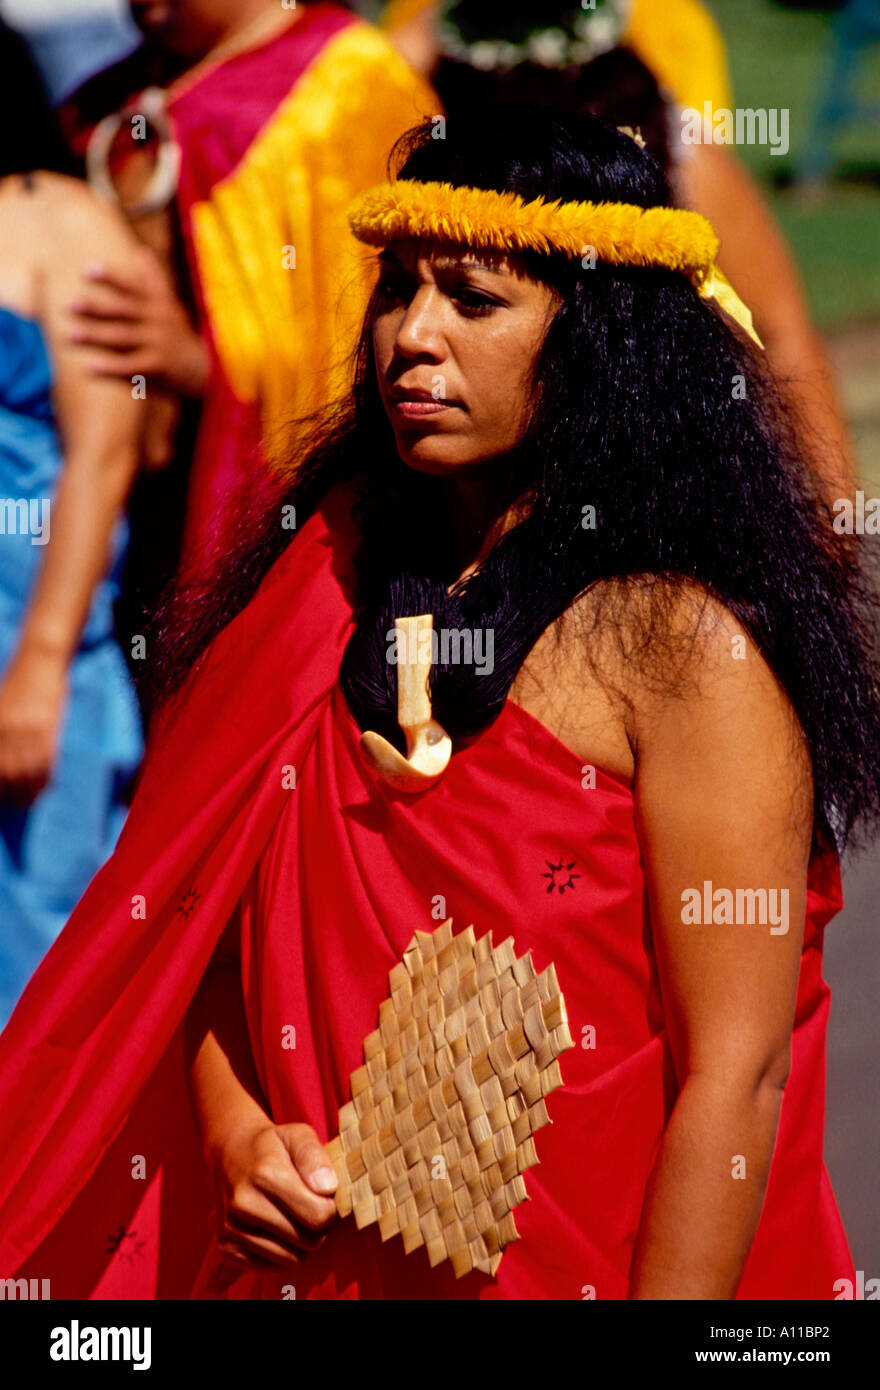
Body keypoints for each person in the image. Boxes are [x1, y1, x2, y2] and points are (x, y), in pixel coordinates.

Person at [1, 109, 878, 1300]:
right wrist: (235, 1132)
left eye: (473, 299)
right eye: (396, 292)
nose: (411, 336)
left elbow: (739, 1073)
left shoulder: (686, 647)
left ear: (598, 338)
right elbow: (191, 922)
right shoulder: (322, 571)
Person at [381, 0, 858, 500]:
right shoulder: (415, 112)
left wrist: (834, 523)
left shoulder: (677, 152)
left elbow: (781, 337)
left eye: (474, 298)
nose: (414, 334)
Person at [60, 0, 437, 588]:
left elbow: (351, 359)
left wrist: (196, 362)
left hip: (247, 532)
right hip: (103, 512)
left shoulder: (348, 88)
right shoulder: (113, 95)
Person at [0, 21, 144, 1027]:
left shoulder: (64, 222)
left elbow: (105, 450)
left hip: (34, 649)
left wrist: (41, 663)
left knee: (41, 984)